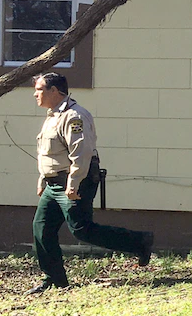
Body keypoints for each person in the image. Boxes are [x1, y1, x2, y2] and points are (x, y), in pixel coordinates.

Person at [29, 73, 154, 294]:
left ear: (54, 91)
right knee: (42, 228)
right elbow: (48, 154)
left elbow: (81, 154)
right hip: (53, 184)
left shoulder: (75, 116)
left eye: (39, 89)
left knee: (81, 230)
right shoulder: (52, 116)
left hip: (76, 181)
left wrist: (73, 183)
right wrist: (43, 179)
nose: (35, 94)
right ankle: (55, 280)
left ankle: (139, 241)